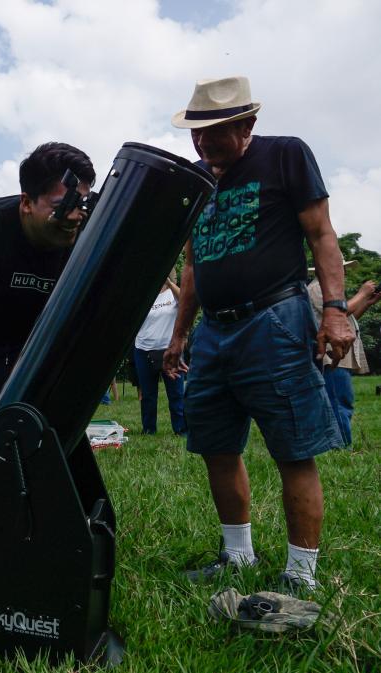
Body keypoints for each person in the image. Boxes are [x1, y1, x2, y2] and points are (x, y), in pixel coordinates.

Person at [164, 76, 351, 592]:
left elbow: (321, 233)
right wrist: (180, 333)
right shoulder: (199, 180)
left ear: (247, 124)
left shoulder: (286, 155)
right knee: (216, 445)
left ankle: (301, 574)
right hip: (213, 332)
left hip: (274, 320)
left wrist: (335, 310)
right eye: (196, 135)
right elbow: (194, 263)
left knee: (293, 447)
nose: (203, 145)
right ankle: (238, 555)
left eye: (215, 134)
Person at [0, 142, 95, 494]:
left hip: (37, 343)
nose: (74, 217)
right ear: (26, 202)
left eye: (81, 205)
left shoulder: (86, 233)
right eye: (61, 206)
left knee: (44, 441)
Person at [307, 264, 377, 446]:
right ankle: (341, 446)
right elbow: (339, 314)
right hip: (332, 357)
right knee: (339, 402)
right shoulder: (317, 289)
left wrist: (366, 303)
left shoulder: (329, 292)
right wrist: (362, 294)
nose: (343, 272)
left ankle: (338, 444)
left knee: (340, 400)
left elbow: (345, 321)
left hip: (339, 355)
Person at [132, 271, 187, 435]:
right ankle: (149, 429)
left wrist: (170, 284)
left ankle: (181, 430)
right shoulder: (144, 294)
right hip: (143, 350)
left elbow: (186, 301)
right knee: (148, 395)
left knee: (176, 394)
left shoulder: (173, 292)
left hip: (169, 351)